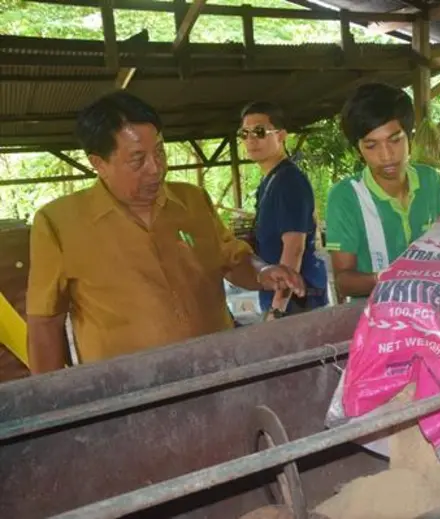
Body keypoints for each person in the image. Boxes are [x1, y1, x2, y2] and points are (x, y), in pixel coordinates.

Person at [26, 92, 304, 374]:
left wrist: (263, 270)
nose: (155, 168)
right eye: (137, 159)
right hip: (128, 394)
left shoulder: (193, 201)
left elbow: (233, 259)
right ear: (98, 163)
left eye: (159, 151)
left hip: (216, 372)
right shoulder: (59, 224)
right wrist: (50, 401)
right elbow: (45, 322)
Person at [325, 83, 440, 300]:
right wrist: (382, 278)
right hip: (373, 315)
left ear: (409, 136)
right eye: (371, 145)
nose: (386, 156)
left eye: (395, 140)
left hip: (431, 307)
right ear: (358, 149)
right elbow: (343, 281)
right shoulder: (346, 196)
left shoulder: (430, 181)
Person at [239, 102, 328, 320]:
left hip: (297, 301)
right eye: (245, 133)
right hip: (286, 299)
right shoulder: (270, 181)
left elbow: (294, 247)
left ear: (281, 135)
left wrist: (277, 310)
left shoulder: (288, 181)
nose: (251, 139)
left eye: (259, 132)